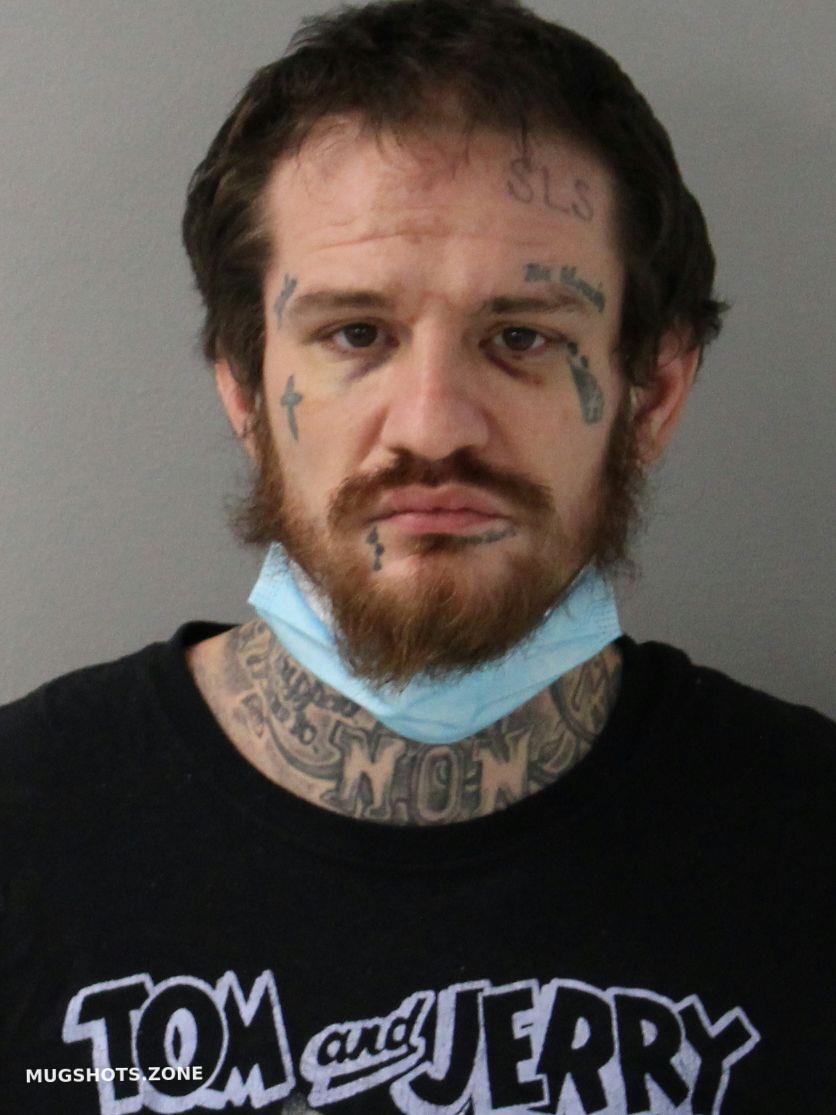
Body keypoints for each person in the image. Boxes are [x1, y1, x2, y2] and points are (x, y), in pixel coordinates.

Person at [1, 0, 833, 1112]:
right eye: (356, 334)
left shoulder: (808, 845)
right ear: (244, 389)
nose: (433, 424)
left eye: (522, 337)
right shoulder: (24, 828)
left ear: (652, 395)